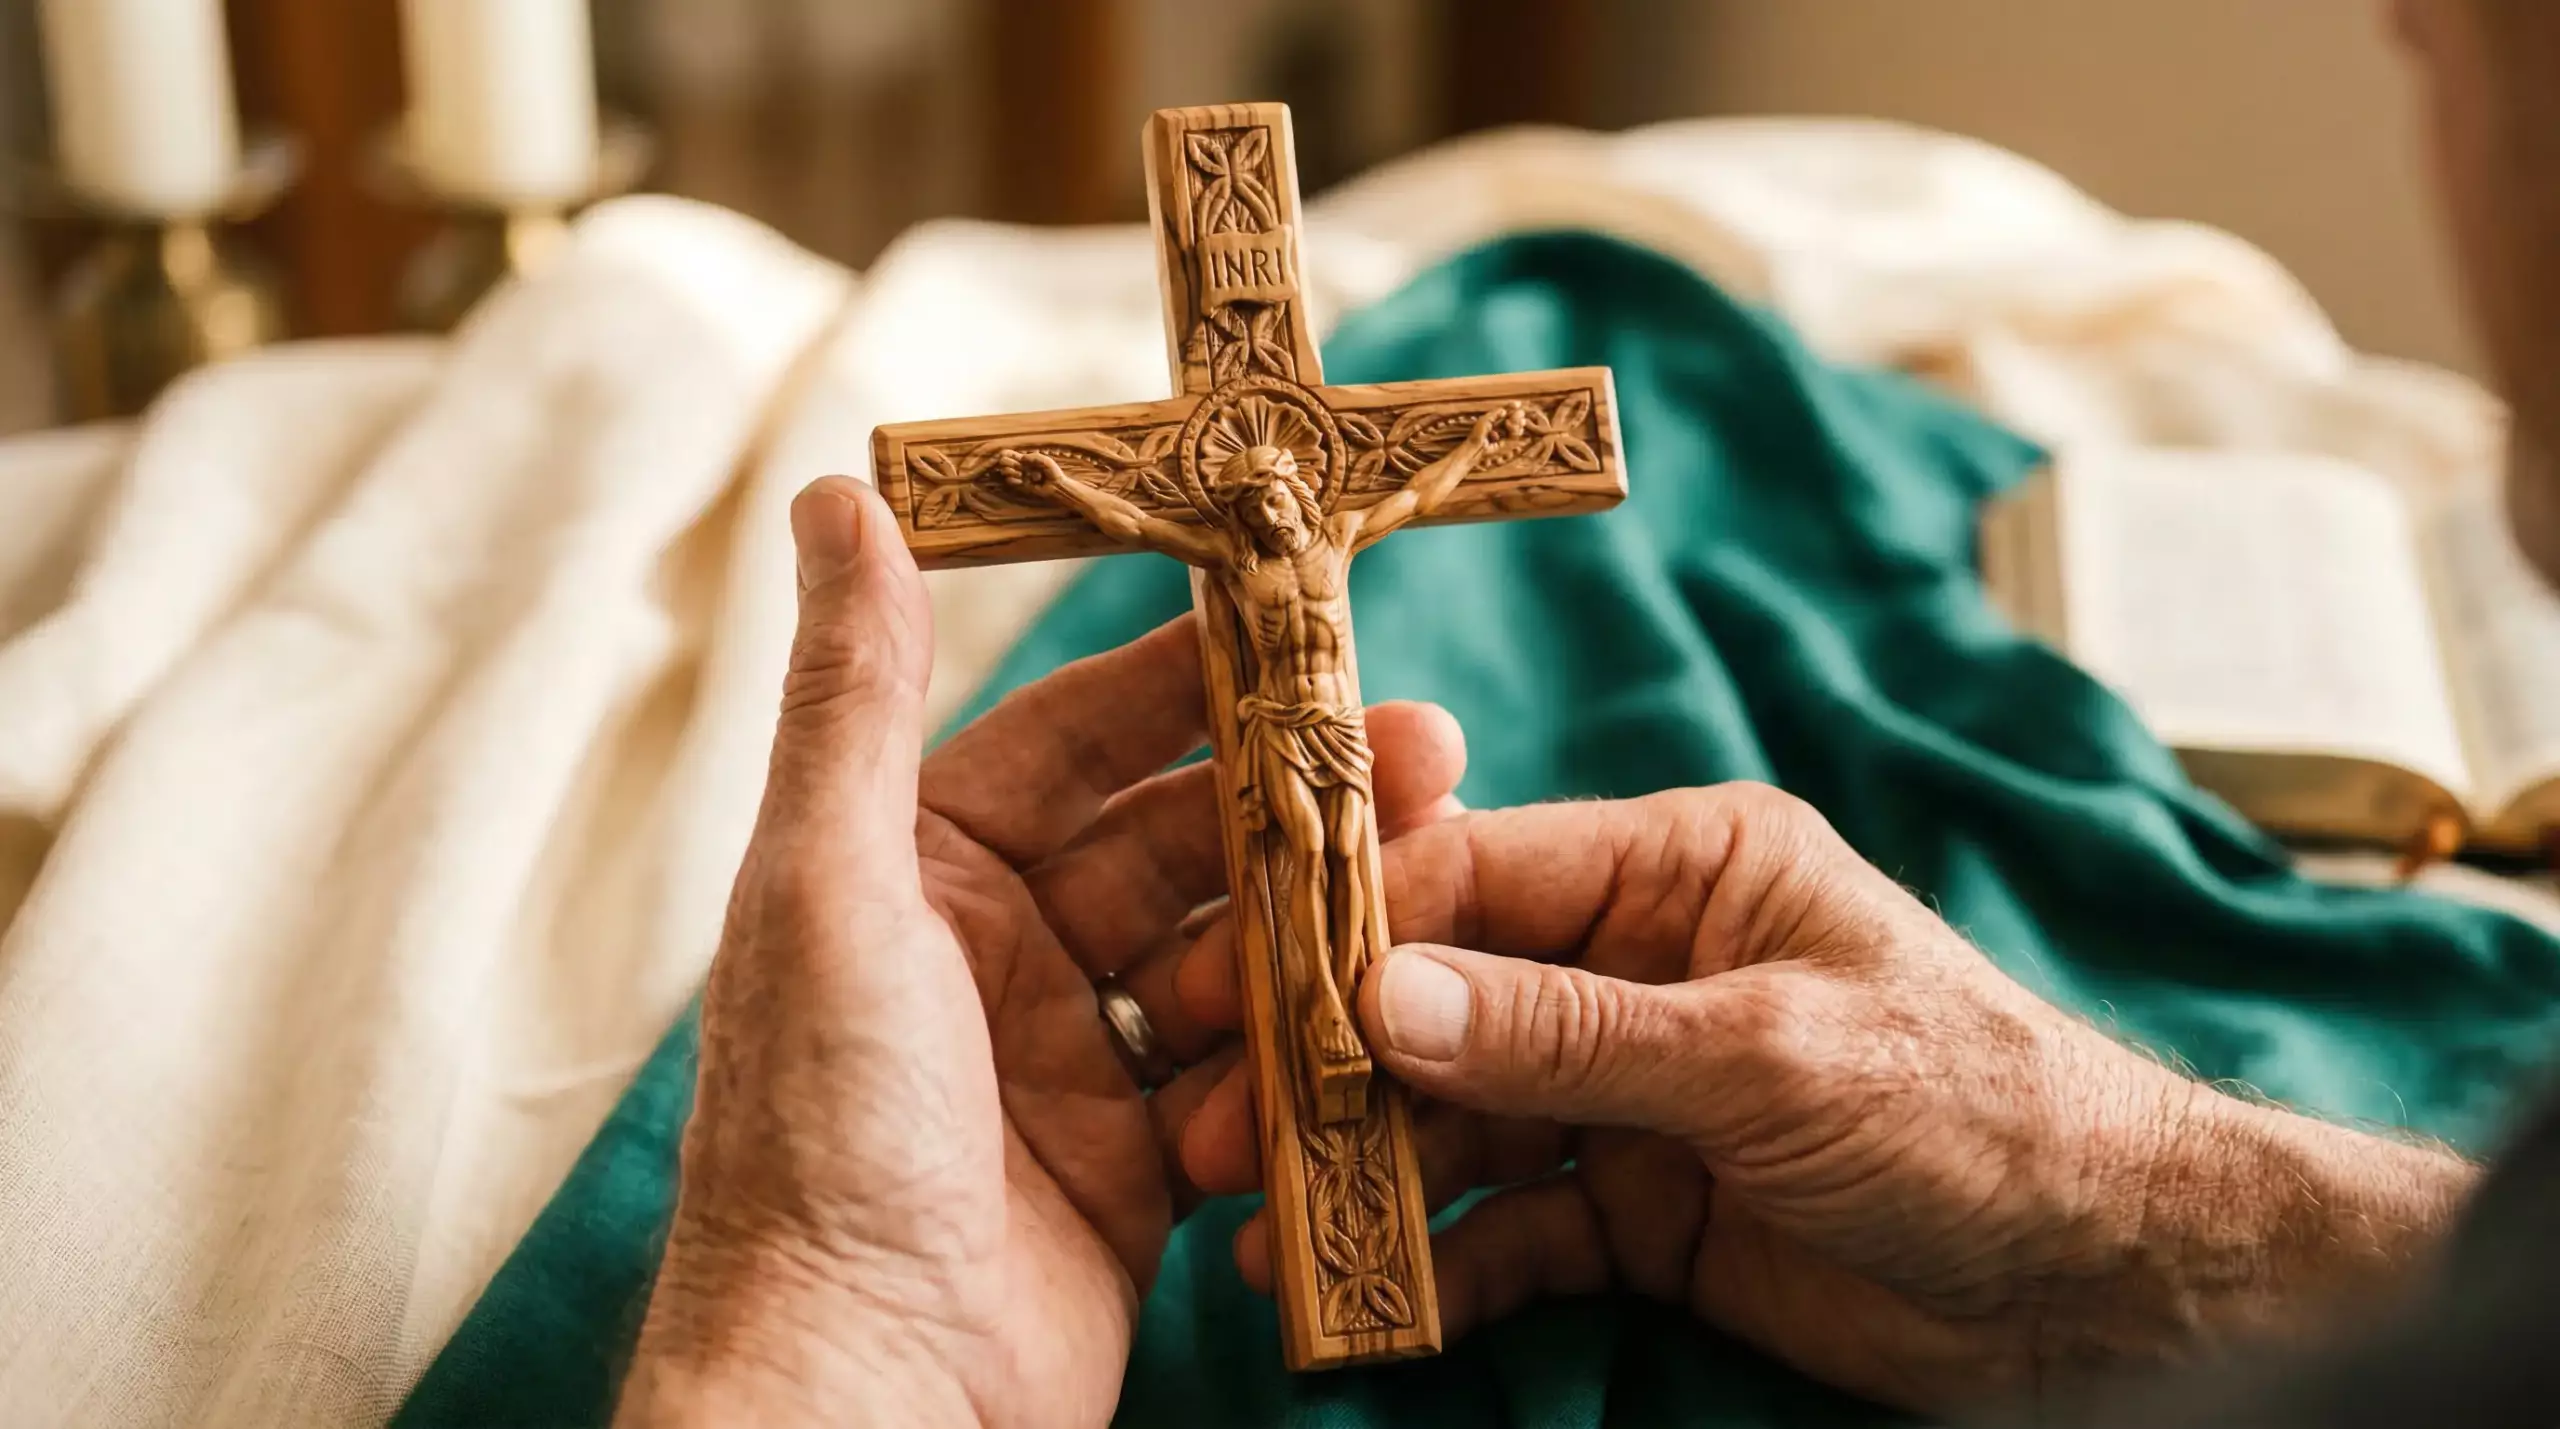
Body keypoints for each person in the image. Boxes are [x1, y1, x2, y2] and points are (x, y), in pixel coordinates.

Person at [614, 1, 2560, 1423]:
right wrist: (2132, 1224)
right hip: (1278, 751)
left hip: (1303, 722)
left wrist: (813, 1338)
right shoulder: (1179, 473)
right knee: (1300, 865)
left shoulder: (1333, 469)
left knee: (1316, 837)